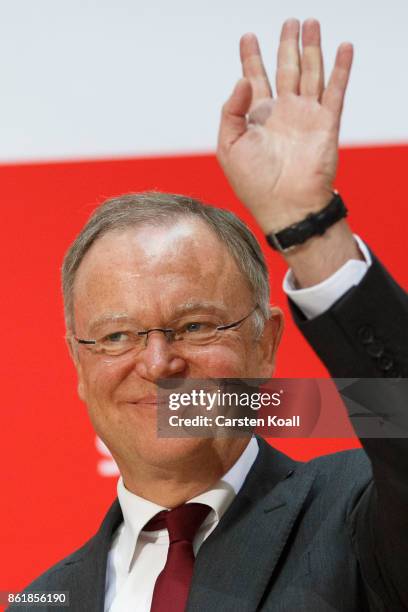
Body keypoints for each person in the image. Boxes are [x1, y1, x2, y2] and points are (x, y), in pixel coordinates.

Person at [10, 18, 408, 612]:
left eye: (194, 326)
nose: (158, 362)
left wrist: (311, 228)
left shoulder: (356, 511)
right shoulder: (41, 601)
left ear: (265, 340)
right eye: (117, 335)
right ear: (78, 362)